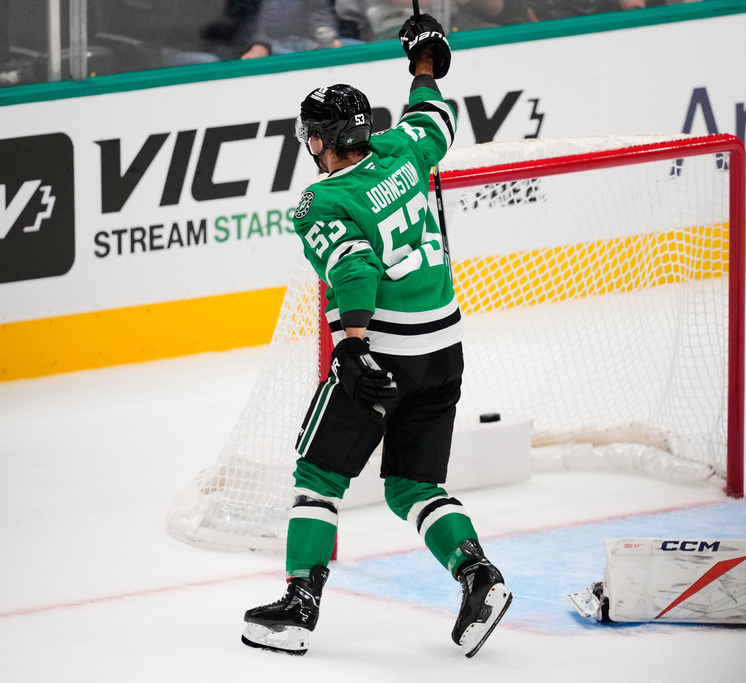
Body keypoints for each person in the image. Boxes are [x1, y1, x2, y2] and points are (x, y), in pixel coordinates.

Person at [241, 13, 512, 658]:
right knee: (414, 487)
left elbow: (355, 266)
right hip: (444, 348)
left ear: (322, 142)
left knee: (318, 476)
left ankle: (298, 606)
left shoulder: (322, 202)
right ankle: (478, 574)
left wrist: (354, 343)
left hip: (382, 355)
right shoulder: (405, 147)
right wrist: (424, 64)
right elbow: (435, 116)